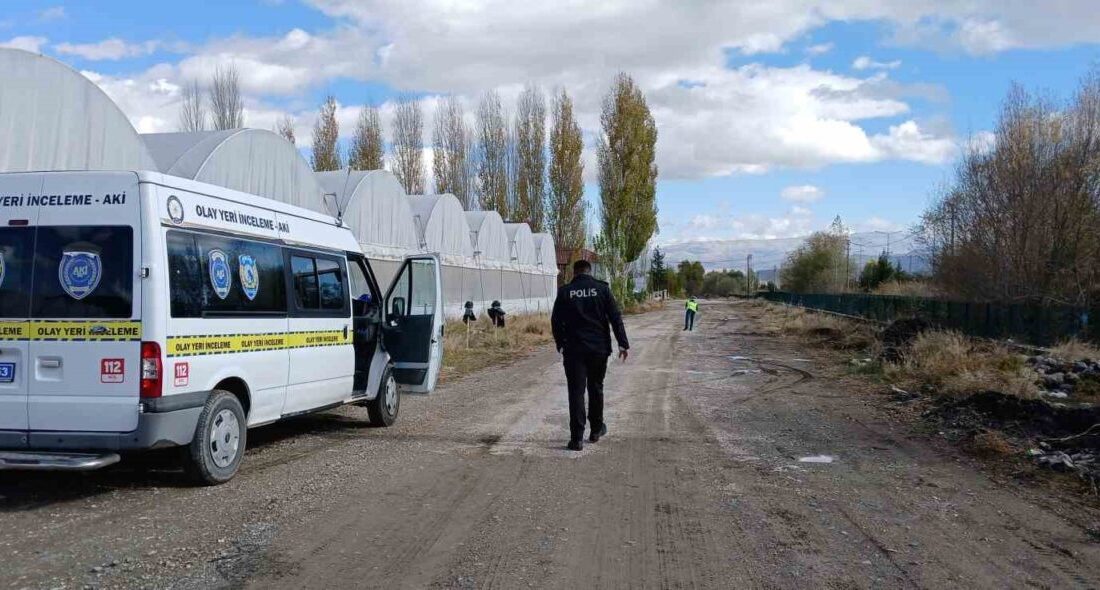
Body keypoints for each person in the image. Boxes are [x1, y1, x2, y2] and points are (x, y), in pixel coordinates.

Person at [551, 260, 630, 451]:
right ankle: (595, 430)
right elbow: (615, 317)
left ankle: (576, 439)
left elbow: (556, 321)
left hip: (574, 351)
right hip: (598, 349)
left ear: (574, 272)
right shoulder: (602, 289)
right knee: (596, 388)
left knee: (576, 392)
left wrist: (560, 344)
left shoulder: (565, 292)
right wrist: (623, 343)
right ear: (589, 271)